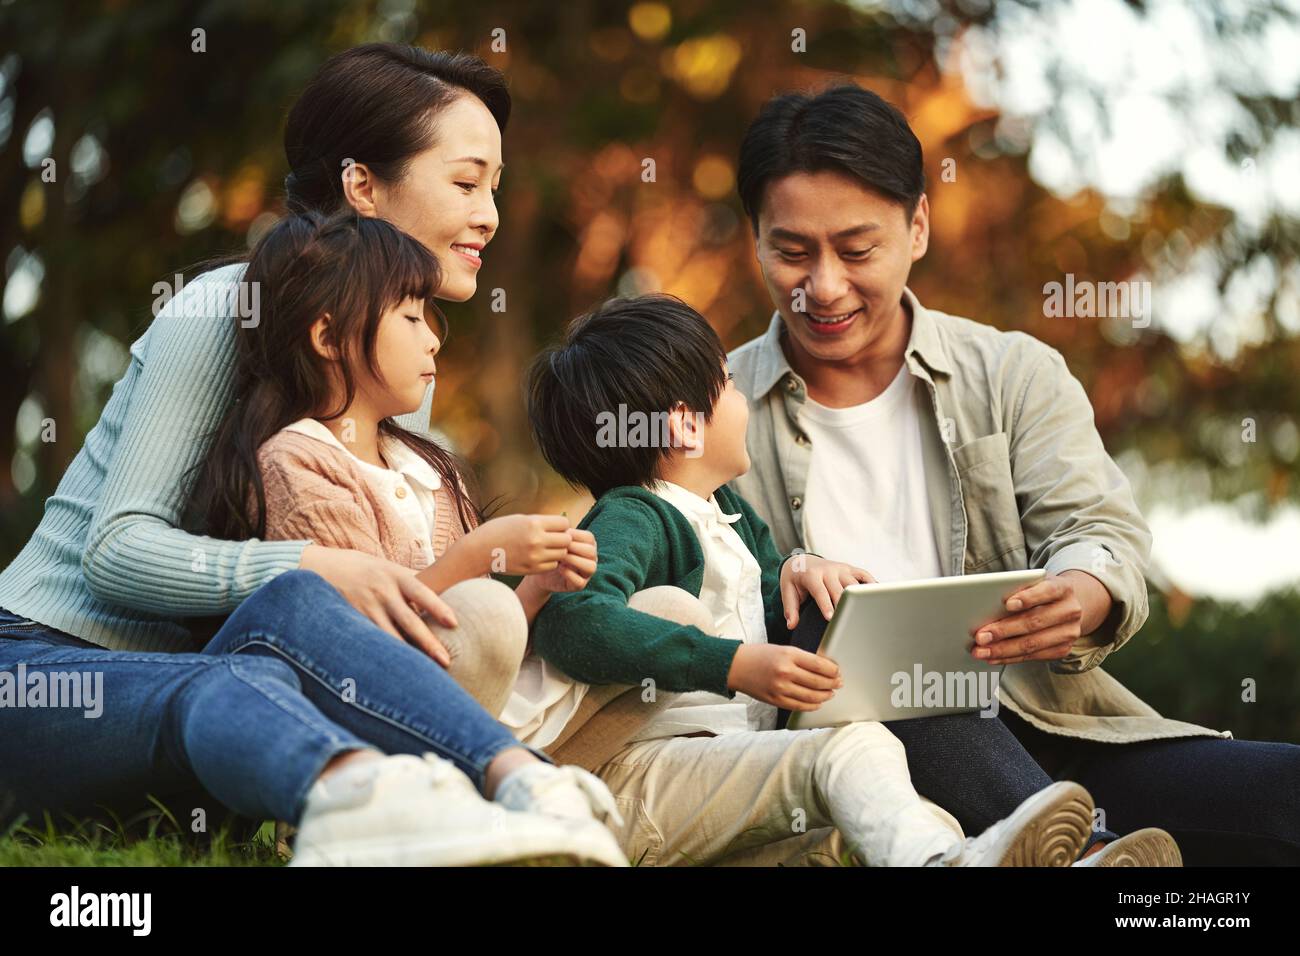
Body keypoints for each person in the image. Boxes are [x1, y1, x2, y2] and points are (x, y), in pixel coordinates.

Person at [0, 44, 626, 867]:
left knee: (289, 616)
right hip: (49, 666)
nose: (490, 218)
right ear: (363, 185)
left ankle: (529, 787)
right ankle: (406, 804)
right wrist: (319, 566)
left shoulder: (394, 358)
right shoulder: (224, 308)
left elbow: (394, 595)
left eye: (495, 190)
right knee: (288, 609)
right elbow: (117, 552)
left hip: (231, 689)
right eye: (467, 183)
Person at [725, 82, 1300, 865]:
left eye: (857, 250)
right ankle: (1084, 854)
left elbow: (1096, 530)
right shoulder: (711, 412)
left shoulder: (1013, 373)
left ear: (918, 226)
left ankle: (1078, 846)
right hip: (858, 777)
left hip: (1053, 733)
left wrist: (1084, 592)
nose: (823, 286)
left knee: (1281, 797)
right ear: (754, 239)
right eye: (791, 251)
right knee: (848, 636)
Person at [526, 294, 1177, 866]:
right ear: (683, 424)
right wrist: (735, 664)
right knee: (851, 749)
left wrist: (803, 565)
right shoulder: (636, 517)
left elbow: (765, 578)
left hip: (728, 766)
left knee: (901, 801)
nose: (742, 395)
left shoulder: (725, 511)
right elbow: (574, 619)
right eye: (725, 384)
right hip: (648, 788)